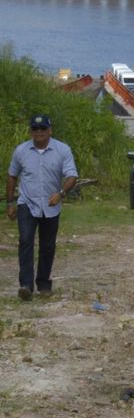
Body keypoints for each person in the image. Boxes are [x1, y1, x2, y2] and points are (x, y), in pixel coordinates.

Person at [7, 114, 78, 301]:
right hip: (27, 204)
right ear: (31, 131)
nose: (39, 132)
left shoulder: (62, 150)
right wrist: (9, 203)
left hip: (50, 205)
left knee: (47, 246)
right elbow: (12, 175)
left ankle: (44, 283)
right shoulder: (21, 151)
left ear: (49, 130)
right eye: (35, 129)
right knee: (26, 240)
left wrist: (61, 193)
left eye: (42, 129)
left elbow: (72, 176)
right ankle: (26, 285)